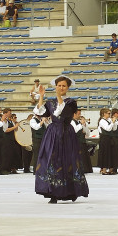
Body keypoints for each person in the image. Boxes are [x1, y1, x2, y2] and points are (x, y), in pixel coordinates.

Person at [32, 75, 89, 203]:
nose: (61, 88)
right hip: (52, 133)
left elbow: (62, 112)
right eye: (59, 86)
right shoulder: (50, 102)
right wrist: (41, 96)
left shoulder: (71, 102)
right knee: (52, 160)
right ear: (55, 86)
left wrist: (58, 96)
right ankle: (53, 192)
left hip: (66, 133)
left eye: (63, 86)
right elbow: (41, 113)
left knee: (68, 160)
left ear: (68, 88)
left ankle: (70, 191)